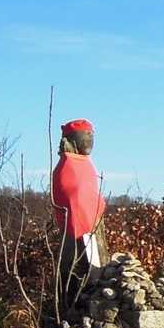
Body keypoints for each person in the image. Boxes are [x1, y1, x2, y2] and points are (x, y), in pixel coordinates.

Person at [51, 118, 106, 311]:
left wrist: (98, 204)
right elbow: (72, 196)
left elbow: (91, 193)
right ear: (73, 139)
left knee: (96, 271)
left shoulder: (86, 164)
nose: (90, 140)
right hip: (77, 230)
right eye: (86, 135)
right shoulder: (68, 165)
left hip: (92, 228)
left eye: (92, 135)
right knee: (80, 272)